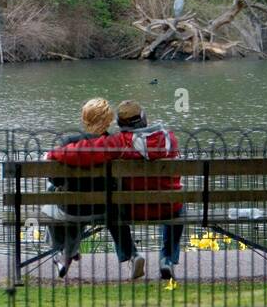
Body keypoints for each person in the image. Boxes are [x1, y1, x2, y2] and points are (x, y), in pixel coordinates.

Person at [46, 99, 183, 280]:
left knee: (103, 206)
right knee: (178, 206)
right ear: (144, 119)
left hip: (132, 209)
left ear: (119, 123)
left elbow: (84, 152)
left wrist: (52, 154)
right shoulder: (169, 138)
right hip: (168, 208)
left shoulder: (121, 142)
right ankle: (166, 258)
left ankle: (66, 253)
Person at [42, 98, 117, 278]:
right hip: (105, 208)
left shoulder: (69, 141)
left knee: (51, 199)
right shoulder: (116, 143)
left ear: (85, 120)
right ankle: (69, 252)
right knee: (67, 198)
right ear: (109, 120)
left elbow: (57, 180)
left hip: (72, 209)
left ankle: (61, 252)